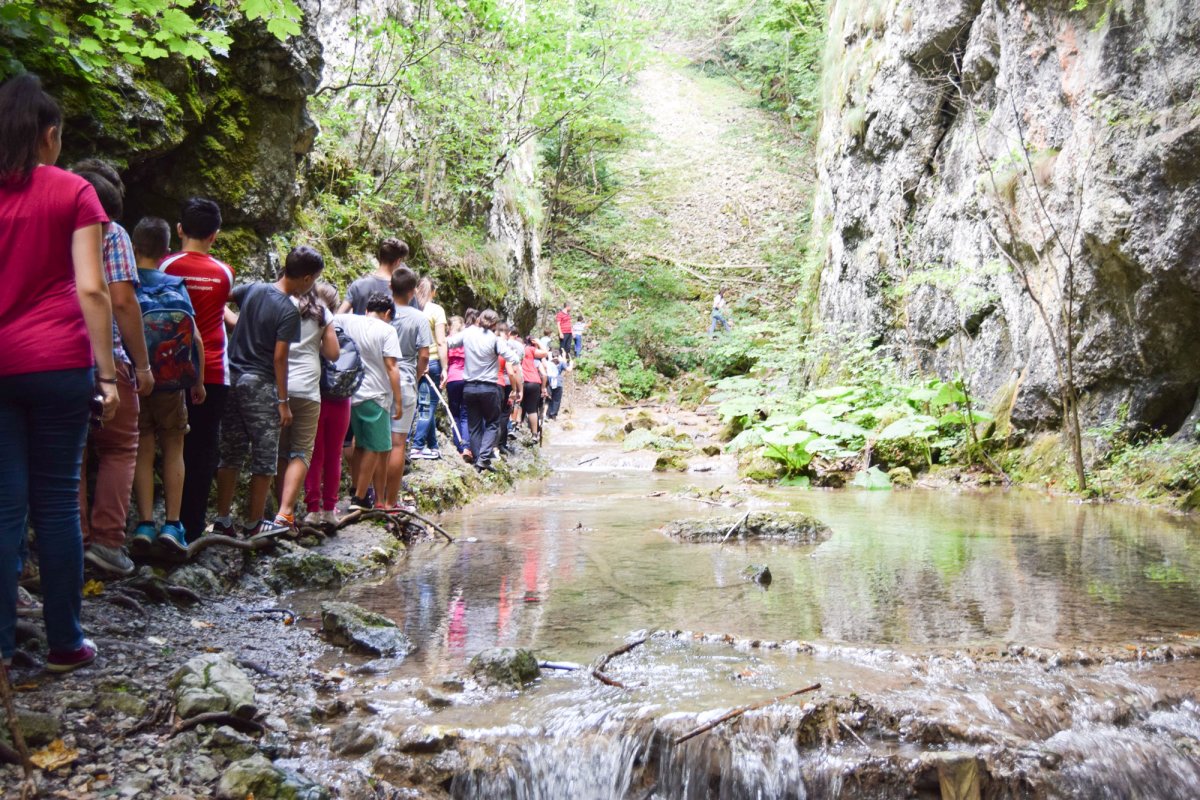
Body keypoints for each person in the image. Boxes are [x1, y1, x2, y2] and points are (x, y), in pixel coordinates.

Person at [0, 74, 118, 672]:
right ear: (49, 136)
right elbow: (92, 289)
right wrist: (109, 376)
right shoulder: (74, 192)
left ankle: (0, 650)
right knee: (54, 503)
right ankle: (66, 643)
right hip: (57, 362)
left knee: (4, 509)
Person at [72, 167, 154, 577]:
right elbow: (121, 299)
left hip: (51, 355)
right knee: (119, 446)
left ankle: (71, 541)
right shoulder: (111, 232)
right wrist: (141, 364)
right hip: (105, 357)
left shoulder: (45, 221)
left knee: (71, 453)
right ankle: (106, 543)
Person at [211, 247, 322, 537]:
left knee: (231, 453)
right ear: (308, 278)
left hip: (232, 377)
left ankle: (222, 520)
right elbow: (279, 358)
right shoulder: (288, 310)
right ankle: (254, 523)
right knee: (265, 456)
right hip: (260, 383)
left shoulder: (254, 289)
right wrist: (283, 402)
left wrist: (229, 319)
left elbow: (221, 300)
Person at [129, 217, 206, 553]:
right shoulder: (176, 286)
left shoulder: (126, 285)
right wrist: (198, 381)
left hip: (134, 381)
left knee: (142, 449)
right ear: (165, 252)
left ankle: (145, 523)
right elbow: (196, 339)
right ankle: (173, 525)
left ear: (134, 248)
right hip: (172, 383)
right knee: (174, 448)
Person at [161, 198, 233, 541]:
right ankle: (191, 525)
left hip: (168, 369)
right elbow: (220, 314)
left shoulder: (165, 266)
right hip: (215, 370)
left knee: (163, 444)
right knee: (203, 449)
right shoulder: (224, 273)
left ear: (179, 229)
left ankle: (163, 521)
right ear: (214, 236)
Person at [273, 279, 338, 530]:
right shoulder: (323, 313)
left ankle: (280, 510)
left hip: (279, 384)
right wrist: (316, 340)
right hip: (308, 389)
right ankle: (285, 512)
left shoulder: (280, 304)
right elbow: (333, 353)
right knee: (300, 451)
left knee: (280, 450)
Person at [335, 293, 403, 510]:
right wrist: (398, 402)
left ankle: (359, 489)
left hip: (351, 394)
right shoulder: (387, 330)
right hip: (377, 395)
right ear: (388, 313)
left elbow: (329, 321)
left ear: (366, 309)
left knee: (361, 446)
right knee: (375, 447)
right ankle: (359, 497)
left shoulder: (347, 320)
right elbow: (392, 367)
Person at [446, 310, 522, 472]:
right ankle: (483, 458)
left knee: (474, 425)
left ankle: (478, 461)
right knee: (492, 423)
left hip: (469, 387)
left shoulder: (468, 334)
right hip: (489, 387)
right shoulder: (495, 340)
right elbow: (514, 359)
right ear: (494, 324)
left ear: (479, 320)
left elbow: (449, 343)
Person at [303, 283, 351, 525]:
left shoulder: (304, 322)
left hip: (314, 394)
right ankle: (330, 510)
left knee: (314, 454)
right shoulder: (342, 326)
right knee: (334, 455)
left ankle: (313, 509)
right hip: (341, 398)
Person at [384, 268, 431, 510]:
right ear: (413, 291)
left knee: (374, 443)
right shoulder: (419, 318)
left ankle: (373, 497)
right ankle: (391, 501)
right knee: (397, 443)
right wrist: (417, 373)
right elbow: (424, 354)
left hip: (379, 380)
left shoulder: (382, 312)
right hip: (404, 380)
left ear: (390, 287)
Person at [410, 276, 446, 460]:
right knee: (428, 404)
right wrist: (445, 368)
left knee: (421, 402)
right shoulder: (436, 310)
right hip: (430, 360)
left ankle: (432, 445)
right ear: (433, 291)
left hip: (411, 361)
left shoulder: (411, 308)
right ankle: (416, 446)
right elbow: (440, 341)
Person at [338, 237, 408, 315]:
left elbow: (338, 316)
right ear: (398, 261)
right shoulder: (402, 291)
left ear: (380, 257)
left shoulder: (358, 285)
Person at [443, 315, 469, 453]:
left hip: (452, 378)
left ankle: (459, 445)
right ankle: (466, 447)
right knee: (465, 413)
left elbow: (444, 361)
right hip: (467, 378)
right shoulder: (466, 340)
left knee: (455, 414)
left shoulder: (447, 341)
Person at [519, 335, 549, 439]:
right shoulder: (532, 351)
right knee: (532, 409)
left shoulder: (520, 350)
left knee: (520, 404)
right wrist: (539, 343)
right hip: (534, 382)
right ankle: (534, 435)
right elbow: (545, 353)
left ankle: (517, 425)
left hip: (521, 381)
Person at [546, 350, 564, 419]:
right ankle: (553, 414)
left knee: (550, 398)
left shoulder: (548, 363)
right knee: (557, 400)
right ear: (559, 356)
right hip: (558, 383)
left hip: (549, 383)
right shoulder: (561, 363)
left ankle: (547, 414)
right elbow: (568, 369)